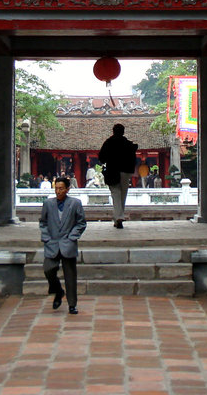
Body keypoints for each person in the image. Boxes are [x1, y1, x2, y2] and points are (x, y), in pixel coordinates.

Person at [39, 177, 87, 314]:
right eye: (56, 189)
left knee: (70, 275)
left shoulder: (75, 203)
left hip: (68, 243)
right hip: (52, 243)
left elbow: (81, 222)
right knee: (48, 269)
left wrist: (72, 237)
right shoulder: (48, 203)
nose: (58, 191)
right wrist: (46, 237)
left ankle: (72, 304)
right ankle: (58, 291)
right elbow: (43, 222)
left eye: (61, 188)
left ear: (67, 189)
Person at [98, 123, 137, 229]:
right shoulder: (128, 144)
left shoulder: (109, 143)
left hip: (112, 171)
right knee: (123, 195)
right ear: (123, 132)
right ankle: (119, 217)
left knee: (116, 194)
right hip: (125, 172)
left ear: (113, 131)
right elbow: (133, 159)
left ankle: (118, 217)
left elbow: (101, 157)